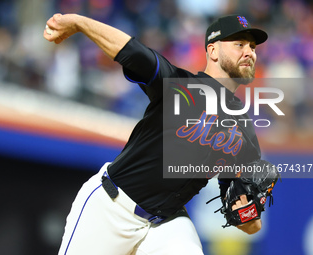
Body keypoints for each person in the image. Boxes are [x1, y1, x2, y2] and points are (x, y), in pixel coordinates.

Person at [44, 14, 269, 255]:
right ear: (213, 51)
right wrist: (78, 22)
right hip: (112, 207)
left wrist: (248, 212)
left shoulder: (244, 130)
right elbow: (132, 51)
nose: (249, 52)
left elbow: (248, 223)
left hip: (166, 223)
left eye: (253, 47)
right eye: (239, 44)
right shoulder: (180, 87)